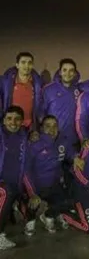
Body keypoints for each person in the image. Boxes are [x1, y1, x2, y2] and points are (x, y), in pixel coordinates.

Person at [23, 116, 71, 235]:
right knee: (30, 202)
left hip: (53, 185)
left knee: (68, 200)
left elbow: (70, 153)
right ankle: (30, 220)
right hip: (35, 186)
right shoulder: (34, 144)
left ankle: (48, 216)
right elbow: (25, 171)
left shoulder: (62, 141)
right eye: (48, 126)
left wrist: (76, 158)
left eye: (55, 126)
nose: (52, 129)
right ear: (41, 128)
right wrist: (31, 193)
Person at [0, 106, 29, 249]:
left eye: (17, 119)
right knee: (7, 192)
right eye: (9, 119)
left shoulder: (24, 135)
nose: (13, 122)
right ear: (3, 120)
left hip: (15, 183)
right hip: (3, 185)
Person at [40, 58, 81, 143]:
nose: (68, 73)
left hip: (72, 140)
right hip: (52, 138)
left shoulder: (79, 90)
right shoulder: (48, 89)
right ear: (60, 72)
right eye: (65, 70)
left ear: (74, 73)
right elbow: (40, 113)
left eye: (71, 70)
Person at [1, 52, 42, 129]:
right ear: (17, 65)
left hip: (30, 127)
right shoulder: (5, 83)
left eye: (29, 63)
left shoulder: (38, 84)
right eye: (23, 62)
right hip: (11, 126)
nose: (26, 66)